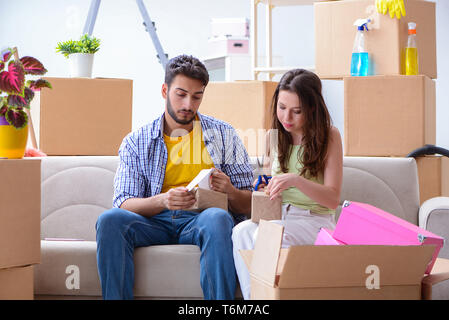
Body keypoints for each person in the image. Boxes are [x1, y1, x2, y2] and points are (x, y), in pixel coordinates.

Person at [96, 54, 253, 300]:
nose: (188, 104)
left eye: (197, 96)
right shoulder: (137, 141)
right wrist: (163, 201)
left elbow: (250, 203)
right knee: (110, 220)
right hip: (154, 222)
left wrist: (230, 191)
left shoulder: (224, 135)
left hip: (201, 219)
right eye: (181, 94)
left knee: (219, 218)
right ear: (164, 90)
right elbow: (124, 201)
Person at [232, 69, 343, 300]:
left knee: (269, 236)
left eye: (296, 111)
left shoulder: (329, 136)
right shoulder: (273, 137)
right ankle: (257, 301)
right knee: (241, 232)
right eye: (282, 108)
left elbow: (332, 199)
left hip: (314, 221)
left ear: (312, 108)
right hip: (278, 216)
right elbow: (265, 183)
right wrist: (262, 186)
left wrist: (295, 180)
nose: (287, 118)